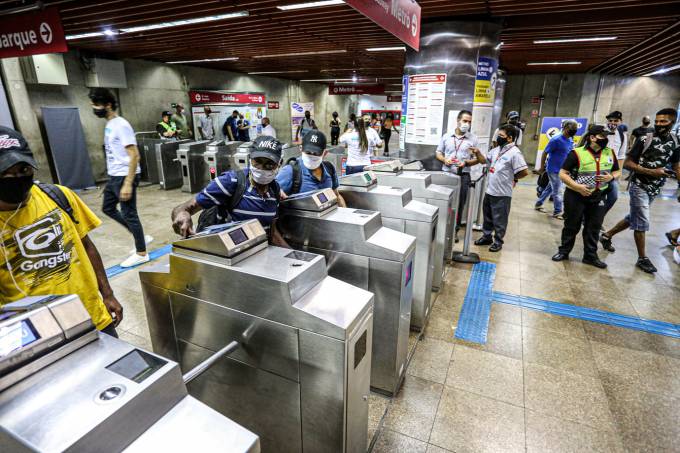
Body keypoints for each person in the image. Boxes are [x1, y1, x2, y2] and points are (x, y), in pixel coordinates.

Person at [0, 126, 123, 337]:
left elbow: (86, 246)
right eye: (5, 173)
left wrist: (108, 293)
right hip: (35, 334)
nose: (17, 178)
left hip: (92, 316)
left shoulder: (59, 196)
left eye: (23, 170)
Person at [599, 108, 680, 273]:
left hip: (655, 188)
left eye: (663, 121)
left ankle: (607, 235)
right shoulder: (645, 139)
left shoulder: (676, 141)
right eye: (657, 121)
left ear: (673, 122)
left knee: (634, 217)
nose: (658, 124)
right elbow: (628, 163)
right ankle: (642, 258)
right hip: (639, 185)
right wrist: (651, 172)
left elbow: (676, 165)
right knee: (642, 220)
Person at [171, 135, 287, 246]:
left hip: (257, 253)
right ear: (250, 158)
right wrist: (182, 214)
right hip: (229, 255)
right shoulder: (230, 182)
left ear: (279, 164)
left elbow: (272, 231)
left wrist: (294, 257)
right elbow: (184, 208)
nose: (261, 168)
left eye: (269, 164)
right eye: (257, 161)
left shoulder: (274, 189)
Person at [90, 88, 153, 268]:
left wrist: (127, 184)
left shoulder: (121, 125)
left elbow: (134, 155)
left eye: (96, 105)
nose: (94, 108)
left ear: (108, 105)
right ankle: (140, 236)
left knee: (129, 213)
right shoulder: (110, 124)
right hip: (115, 175)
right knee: (108, 207)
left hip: (125, 175)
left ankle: (142, 253)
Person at [552, 125, 620, 269]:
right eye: (603, 136)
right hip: (575, 196)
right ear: (592, 137)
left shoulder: (610, 153)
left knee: (593, 227)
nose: (606, 139)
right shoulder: (576, 153)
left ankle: (590, 256)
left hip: (599, 195)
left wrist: (611, 178)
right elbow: (563, 173)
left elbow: (617, 172)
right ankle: (564, 252)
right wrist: (578, 187)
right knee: (571, 225)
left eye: (607, 136)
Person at [473, 125, 528, 252]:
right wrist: (477, 153)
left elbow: (524, 172)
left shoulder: (515, 153)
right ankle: (487, 237)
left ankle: (498, 241)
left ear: (510, 138)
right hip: (490, 189)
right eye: (499, 135)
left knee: (500, 219)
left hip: (502, 192)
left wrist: (513, 178)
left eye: (501, 136)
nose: (498, 138)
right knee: (487, 216)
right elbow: (484, 161)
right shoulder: (496, 150)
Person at [435, 110, 484, 232]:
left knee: (460, 204)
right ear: (458, 120)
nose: (467, 124)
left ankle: (454, 230)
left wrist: (466, 162)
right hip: (447, 173)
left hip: (463, 175)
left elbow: (478, 160)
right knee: (445, 202)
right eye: (464, 121)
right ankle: (442, 229)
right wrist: (444, 160)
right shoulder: (446, 136)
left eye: (469, 122)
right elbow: (438, 152)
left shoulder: (473, 139)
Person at [276, 130, 346, 206]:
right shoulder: (290, 172)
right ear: (301, 149)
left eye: (316, 153)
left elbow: (337, 195)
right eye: (308, 152)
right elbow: (270, 193)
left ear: (324, 153)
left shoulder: (329, 168)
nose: (312, 156)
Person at [535, 120, 578, 218]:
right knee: (558, 191)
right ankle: (558, 211)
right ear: (565, 127)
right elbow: (545, 152)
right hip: (554, 170)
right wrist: (542, 167)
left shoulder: (570, 139)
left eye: (575, 130)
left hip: (563, 170)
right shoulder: (556, 140)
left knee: (550, 188)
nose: (573, 132)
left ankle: (538, 204)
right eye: (572, 129)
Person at [601, 111, 628, 215]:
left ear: (621, 122)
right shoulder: (601, 130)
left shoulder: (622, 135)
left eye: (616, 121)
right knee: (598, 196)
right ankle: (591, 219)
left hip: (612, 171)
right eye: (610, 120)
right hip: (598, 168)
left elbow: (621, 155)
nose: (612, 123)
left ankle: (599, 216)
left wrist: (618, 174)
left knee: (613, 196)